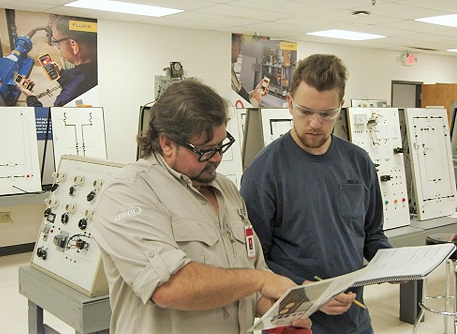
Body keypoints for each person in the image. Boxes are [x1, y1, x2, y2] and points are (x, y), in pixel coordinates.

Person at [92, 79, 311, 334]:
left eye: (220, 145)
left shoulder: (226, 190)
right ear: (167, 143)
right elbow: (169, 287)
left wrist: (278, 314)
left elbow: (248, 279)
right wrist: (260, 281)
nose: (217, 157)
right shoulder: (128, 192)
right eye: (205, 150)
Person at [240, 54, 392, 334]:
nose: (314, 124)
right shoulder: (264, 172)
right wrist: (305, 289)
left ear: (341, 107)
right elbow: (252, 258)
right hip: (297, 322)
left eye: (326, 114)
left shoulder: (358, 162)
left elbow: (372, 234)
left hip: (355, 322)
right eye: (305, 111)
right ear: (288, 103)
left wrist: (395, 264)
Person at [17, 14, 97, 106]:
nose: (58, 48)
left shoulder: (66, 98)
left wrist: (30, 97)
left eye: (57, 42)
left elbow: (46, 119)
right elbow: (78, 77)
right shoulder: (97, 68)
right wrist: (62, 73)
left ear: (73, 45)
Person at [232, 33, 267, 107]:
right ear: (231, 45)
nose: (240, 49)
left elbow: (240, 97)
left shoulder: (230, 71)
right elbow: (239, 107)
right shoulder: (226, 75)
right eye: (239, 45)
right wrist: (255, 100)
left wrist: (255, 92)